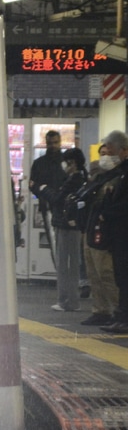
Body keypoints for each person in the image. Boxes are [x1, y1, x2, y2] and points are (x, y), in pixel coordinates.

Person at [78, 144, 121, 326]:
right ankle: (100, 310)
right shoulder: (98, 178)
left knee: (106, 272)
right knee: (93, 272)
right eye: (102, 154)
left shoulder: (119, 179)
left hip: (105, 232)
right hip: (90, 228)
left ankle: (118, 310)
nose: (105, 158)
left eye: (109, 155)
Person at [94, 132, 128, 332]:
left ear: (123, 150)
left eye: (112, 152)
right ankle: (121, 316)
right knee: (120, 277)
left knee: (124, 277)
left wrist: (107, 213)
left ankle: (124, 318)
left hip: (123, 233)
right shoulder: (120, 172)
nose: (109, 156)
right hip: (118, 235)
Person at [47, 146, 86, 312]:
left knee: (66, 264)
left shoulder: (73, 180)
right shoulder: (82, 178)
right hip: (70, 225)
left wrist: (43, 190)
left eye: (66, 162)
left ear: (72, 163)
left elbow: (57, 199)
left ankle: (67, 301)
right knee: (70, 263)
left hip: (66, 225)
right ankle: (68, 300)